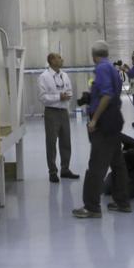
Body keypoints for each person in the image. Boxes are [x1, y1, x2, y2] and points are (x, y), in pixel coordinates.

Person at [73, 41, 131, 219]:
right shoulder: (113, 68)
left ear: (93, 54)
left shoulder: (101, 69)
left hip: (104, 121)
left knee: (97, 165)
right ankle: (122, 201)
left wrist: (95, 119)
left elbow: (107, 94)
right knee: (117, 163)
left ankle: (91, 206)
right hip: (114, 119)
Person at [38, 52, 79, 184]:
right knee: (51, 143)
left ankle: (65, 169)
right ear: (51, 60)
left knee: (66, 141)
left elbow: (70, 90)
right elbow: (42, 97)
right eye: (59, 58)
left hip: (64, 112)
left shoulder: (64, 75)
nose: (62, 59)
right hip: (51, 112)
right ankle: (52, 172)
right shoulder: (44, 77)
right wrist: (58, 97)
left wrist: (67, 96)